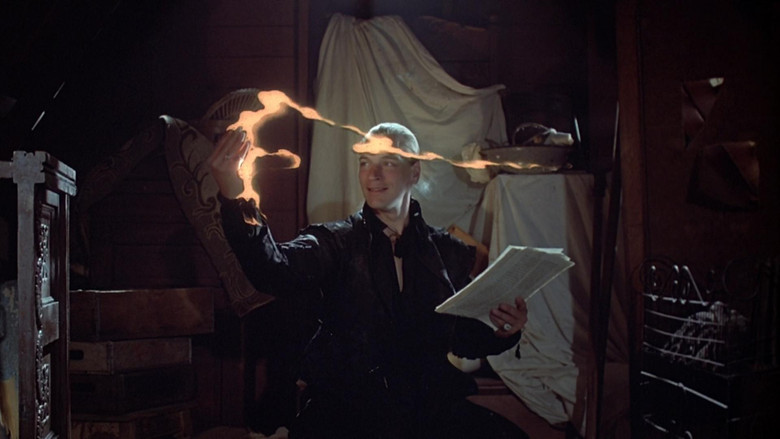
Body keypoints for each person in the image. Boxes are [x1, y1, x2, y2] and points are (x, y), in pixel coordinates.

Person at [208, 122, 530, 439]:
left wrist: (504, 331)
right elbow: (273, 269)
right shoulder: (335, 242)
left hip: (425, 412)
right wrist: (234, 196)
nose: (373, 174)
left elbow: (460, 338)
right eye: (365, 162)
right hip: (349, 416)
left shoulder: (448, 252)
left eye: (387, 162)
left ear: (414, 172)